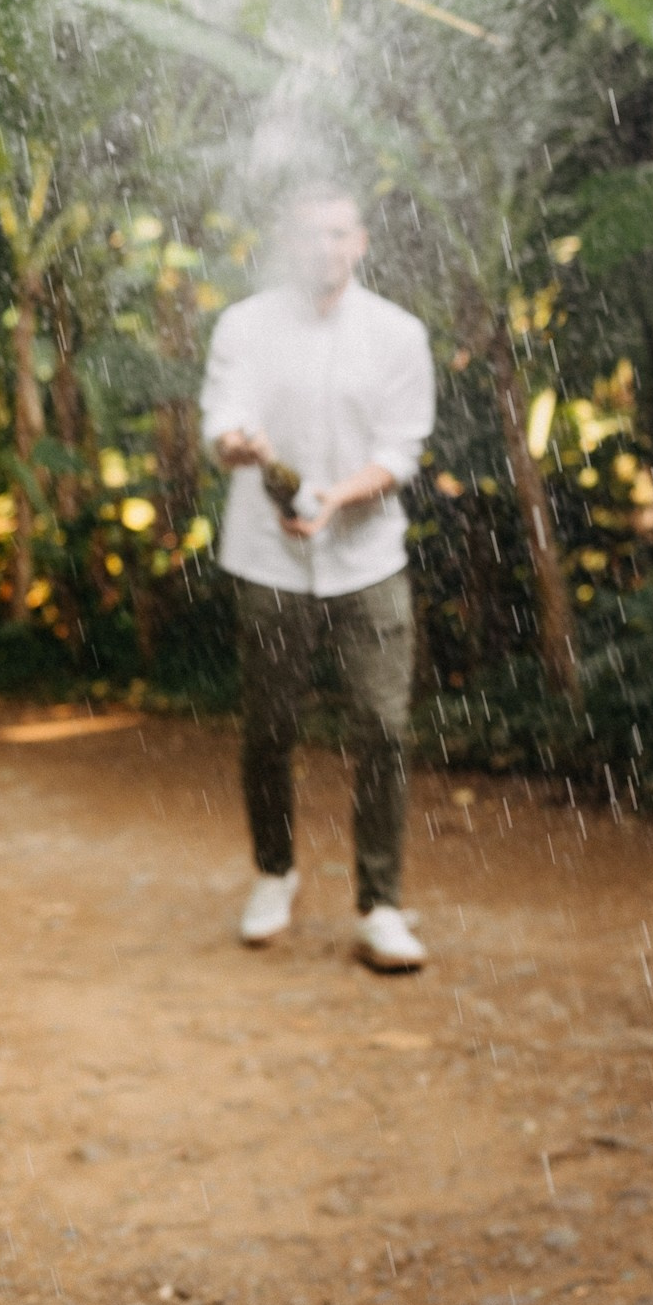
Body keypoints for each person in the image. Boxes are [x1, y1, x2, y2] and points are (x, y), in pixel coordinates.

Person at [201, 182, 435, 972]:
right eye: (309, 235)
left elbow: (403, 451)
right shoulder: (245, 325)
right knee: (269, 728)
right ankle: (275, 872)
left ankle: (381, 905)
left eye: (338, 234)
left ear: (361, 242)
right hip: (267, 560)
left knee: (384, 728)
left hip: (368, 559)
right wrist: (238, 446)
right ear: (287, 244)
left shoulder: (398, 335)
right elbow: (222, 423)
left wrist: (338, 495)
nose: (325, 249)